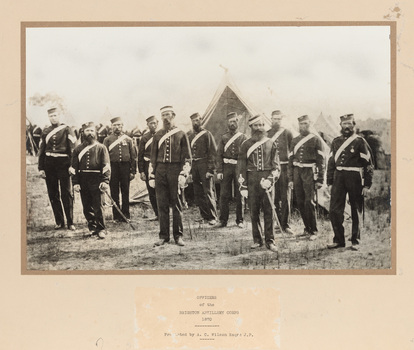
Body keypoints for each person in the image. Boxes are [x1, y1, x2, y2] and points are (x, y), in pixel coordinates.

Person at [327, 114, 374, 251]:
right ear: (340, 126)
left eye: (349, 123)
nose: (347, 126)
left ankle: (355, 241)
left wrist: (367, 185)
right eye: (344, 124)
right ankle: (339, 240)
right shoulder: (335, 142)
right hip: (338, 178)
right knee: (334, 210)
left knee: (356, 209)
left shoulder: (360, 142)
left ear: (354, 124)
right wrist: (329, 182)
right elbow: (331, 163)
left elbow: (368, 164)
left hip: (355, 178)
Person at [149, 106, 191, 247]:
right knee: (162, 205)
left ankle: (178, 236)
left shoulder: (181, 134)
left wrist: (183, 174)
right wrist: (152, 175)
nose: (165, 117)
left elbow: (187, 157)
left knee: (177, 204)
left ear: (173, 115)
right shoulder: (157, 135)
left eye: (168, 114)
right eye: (163, 115)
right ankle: (163, 236)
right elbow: (153, 158)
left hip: (175, 170)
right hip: (160, 170)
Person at [238, 114, 280, 252]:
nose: (259, 128)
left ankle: (270, 240)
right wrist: (243, 185)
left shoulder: (271, 143)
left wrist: (270, 180)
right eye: (256, 125)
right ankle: (257, 239)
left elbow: (276, 166)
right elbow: (241, 166)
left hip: (267, 181)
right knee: (254, 212)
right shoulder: (245, 145)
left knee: (269, 211)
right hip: (251, 180)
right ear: (251, 127)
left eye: (261, 125)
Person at [38, 106, 76, 231]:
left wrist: (72, 165)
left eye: (55, 115)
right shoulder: (45, 131)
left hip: (63, 164)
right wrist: (41, 168)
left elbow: (72, 149)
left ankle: (70, 222)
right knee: (53, 193)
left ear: (59, 116)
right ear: (48, 117)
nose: (53, 118)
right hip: (49, 164)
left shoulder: (67, 129)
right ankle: (59, 221)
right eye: (51, 116)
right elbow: (42, 150)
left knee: (67, 193)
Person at [71, 122, 111, 239]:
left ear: (96, 133)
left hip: (97, 180)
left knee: (98, 206)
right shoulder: (78, 149)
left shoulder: (101, 148)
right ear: (83, 133)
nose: (90, 133)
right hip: (83, 180)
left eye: (92, 131)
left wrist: (105, 181)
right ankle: (92, 228)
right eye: (87, 131)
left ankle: (101, 228)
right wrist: (76, 183)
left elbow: (106, 166)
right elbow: (74, 168)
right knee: (87, 206)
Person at [288, 115, 325, 240]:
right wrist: (291, 179)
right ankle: (306, 228)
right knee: (300, 201)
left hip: (309, 172)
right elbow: (290, 160)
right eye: (301, 124)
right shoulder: (294, 140)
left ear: (310, 124)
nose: (303, 126)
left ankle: (314, 230)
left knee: (309, 202)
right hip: (297, 172)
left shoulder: (316, 140)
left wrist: (320, 179)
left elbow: (321, 161)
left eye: (305, 124)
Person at [103, 117, 137, 222]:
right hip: (113, 168)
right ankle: (116, 216)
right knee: (114, 192)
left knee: (125, 191)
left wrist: (133, 171)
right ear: (111, 127)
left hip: (125, 167)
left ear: (122, 126)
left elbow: (133, 156)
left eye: (119, 125)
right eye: (115, 125)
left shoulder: (128, 139)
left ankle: (126, 215)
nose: (117, 127)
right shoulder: (107, 140)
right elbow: (104, 157)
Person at [216, 112, 247, 228]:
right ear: (227, 123)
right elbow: (218, 155)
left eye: (234, 121)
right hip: (226, 168)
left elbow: (246, 156)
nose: (232, 124)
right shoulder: (223, 138)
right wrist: (219, 171)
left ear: (237, 122)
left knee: (240, 193)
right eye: (230, 122)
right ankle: (223, 220)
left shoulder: (243, 137)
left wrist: (244, 171)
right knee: (224, 194)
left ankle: (240, 220)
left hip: (239, 168)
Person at [267, 110, 295, 235]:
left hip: (284, 167)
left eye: (279, 119)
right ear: (271, 119)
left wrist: (290, 171)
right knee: (274, 197)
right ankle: (276, 222)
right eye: (275, 119)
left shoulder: (287, 133)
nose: (277, 121)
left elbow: (292, 152)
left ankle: (286, 224)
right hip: (272, 169)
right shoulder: (267, 134)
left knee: (285, 197)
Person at [187, 112, 218, 225]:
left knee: (208, 191)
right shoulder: (189, 135)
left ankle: (213, 216)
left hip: (204, 164)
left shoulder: (207, 134)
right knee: (197, 192)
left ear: (201, 120)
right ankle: (204, 215)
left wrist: (211, 170)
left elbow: (213, 152)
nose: (196, 122)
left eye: (198, 120)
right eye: (194, 120)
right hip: (194, 165)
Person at [138, 115, 159, 220]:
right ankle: (157, 213)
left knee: (162, 190)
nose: (153, 125)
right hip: (148, 165)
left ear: (158, 123)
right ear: (147, 125)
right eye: (151, 123)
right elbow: (140, 155)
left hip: (160, 166)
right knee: (151, 191)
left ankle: (164, 213)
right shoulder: (144, 138)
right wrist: (141, 171)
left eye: (155, 123)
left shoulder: (162, 135)